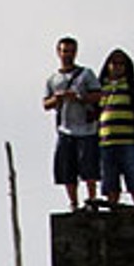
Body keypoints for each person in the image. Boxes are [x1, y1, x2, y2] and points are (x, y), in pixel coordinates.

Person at [43, 36, 100, 211]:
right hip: (65, 129)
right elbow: (46, 104)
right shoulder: (53, 78)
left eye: (70, 51)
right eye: (64, 51)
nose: (67, 54)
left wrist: (78, 97)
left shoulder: (86, 74)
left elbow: (98, 95)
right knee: (67, 170)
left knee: (89, 169)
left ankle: (92, 200)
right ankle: (73, 203)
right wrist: (58, 99)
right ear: (58, 53)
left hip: (87, 129)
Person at [92, 48, 134, 208]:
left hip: (129, 140)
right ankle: (113, 207)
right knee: (109, 179)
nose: (117, 67)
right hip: (105, 143)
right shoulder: (100, 89)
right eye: (114, 63)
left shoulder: (133, 87)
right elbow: (93, 113)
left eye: (121, 64)